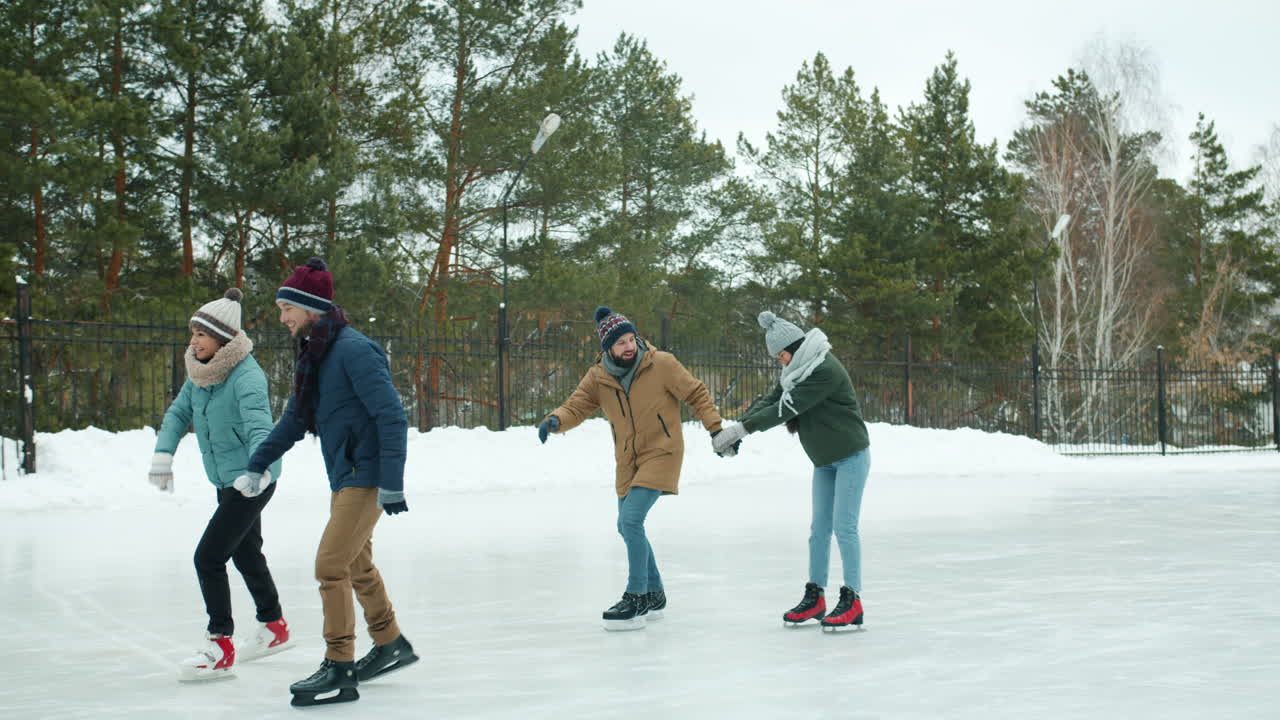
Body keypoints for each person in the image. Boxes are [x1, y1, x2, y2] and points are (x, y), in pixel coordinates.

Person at [237, 257, 418, 707]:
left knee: (329, 565)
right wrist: (257, 463)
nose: (282, 318)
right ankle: (390, 641)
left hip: (366, 474)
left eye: (286, 309)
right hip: (345, 475)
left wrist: (392, 481)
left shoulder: (354, 350)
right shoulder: (316, 355)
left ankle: (340, 664)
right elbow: (296, 419)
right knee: (356, 564)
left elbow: (391, 416)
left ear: (310, 308)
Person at [538, 306, 729, 631]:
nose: (628, 346)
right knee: (625, 526)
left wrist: (716, 429)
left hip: (662, 451)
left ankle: (636, 594)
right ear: (608, 348)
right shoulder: (599, 376)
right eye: (620, 342)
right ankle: (655, 593)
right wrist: (555, 420)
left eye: (631, 338)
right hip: (628, 458)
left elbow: (696, 393)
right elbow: (578, 404)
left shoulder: (662, 364)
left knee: (631, 519)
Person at [151, 288, 292, 682]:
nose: (193, 341)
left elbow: (260, 426)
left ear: (223, 339)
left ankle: (220, 645)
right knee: (245, 554)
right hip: (225, 478)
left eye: (201, 334)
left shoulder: (247, 376)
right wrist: (164, 454)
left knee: (208, 557)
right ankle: (274, 626)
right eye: (192, 333)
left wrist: (258, 471)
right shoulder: (200, 372)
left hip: (252, 479)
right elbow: (179, 413)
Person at [713, 311, 871, 632]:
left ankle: (852, 600)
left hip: (851, 457)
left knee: (845, 527)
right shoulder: (797, 371)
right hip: (824, 461)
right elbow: (772, 398)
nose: (780, 362)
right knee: (819, 530)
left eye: (782, 355)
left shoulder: (824, 370)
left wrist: (743, 430)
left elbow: (786, 408)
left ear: (795, 348)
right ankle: (816, 597)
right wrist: (736, 427)